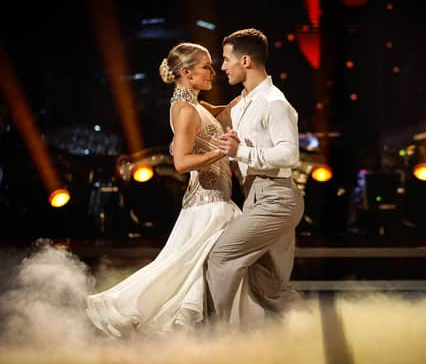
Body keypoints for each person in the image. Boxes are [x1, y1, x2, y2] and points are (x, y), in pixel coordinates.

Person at [86, 42, 263, 338]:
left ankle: (219, 339)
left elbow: (223, 112)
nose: (213, 72)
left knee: (201, 276)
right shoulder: (184, 111)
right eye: (206, 66)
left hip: (218, 203)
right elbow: (181, 163)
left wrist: (251, 88)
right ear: (186, 73)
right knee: (189, 276)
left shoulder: (196, 106)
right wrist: (222, 152)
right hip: (207, 208)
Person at [206, 28, 305, 324]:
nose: (222, 67)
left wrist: (241, 152)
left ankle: (221, 339)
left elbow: (290, 155)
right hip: (258, 195)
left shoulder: (273, 103)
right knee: (270, 288)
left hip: (276, 197)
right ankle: (307, 331)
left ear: (245, 61)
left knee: (221, 257)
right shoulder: (245, 102)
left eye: (226, 60)